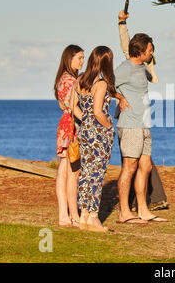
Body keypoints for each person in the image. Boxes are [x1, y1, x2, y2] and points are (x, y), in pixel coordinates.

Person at [114, 16, 167, 224]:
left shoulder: (141, 68)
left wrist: (123, 25)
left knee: (145, 167)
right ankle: (124, 212)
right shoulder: (125, 68)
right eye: (150, 49)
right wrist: (119, 97)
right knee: (130, 167)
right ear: (142, 50)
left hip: (144, 124)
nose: (152, 52)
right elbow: (106, 83)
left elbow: (129, 46)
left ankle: (143, 210)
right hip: (130, 124)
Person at [72, 46, 116, 233]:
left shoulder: (80, 80)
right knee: (97, 174)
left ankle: (83, 216)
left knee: (85, 173)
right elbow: (98, 111)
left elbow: (72, 106)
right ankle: (93, 217)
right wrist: (108, 127)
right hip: (99, 133)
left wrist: (85, 120)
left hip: (84, 131)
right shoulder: (101, 83)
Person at [54, 44, 84, 227]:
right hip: (71, 126)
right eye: (79, 57)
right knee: (68, 172)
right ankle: (67, 215)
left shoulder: (63, 79)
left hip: (67, 125)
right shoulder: (70, 80)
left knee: (66, 170)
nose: (82, 61)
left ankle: (68, 214)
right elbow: (72, 107)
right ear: (69, 58)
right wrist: (89, 121)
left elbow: (62, 105)